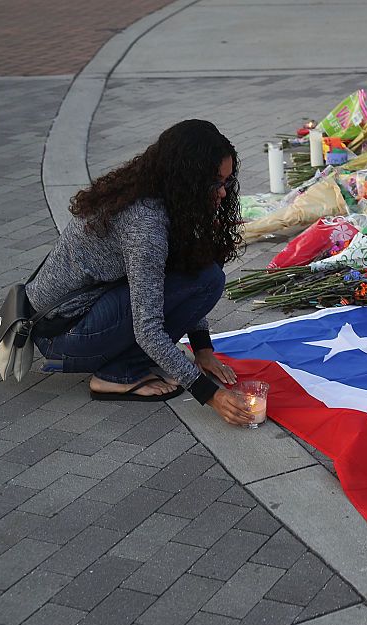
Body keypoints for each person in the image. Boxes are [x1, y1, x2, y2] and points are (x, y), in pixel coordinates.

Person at [27, 119, 253, 425]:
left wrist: (203, 349)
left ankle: (122, 359)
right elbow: (148, 328)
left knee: (205, 275)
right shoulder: (145, 224)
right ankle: (115, 375)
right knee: (206, 281)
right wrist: (211, 395)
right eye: (215, 184)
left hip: (68, 317)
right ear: (188, 178)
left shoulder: (157, 189)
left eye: (226, 182)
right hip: (61, 336)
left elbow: (186, 268)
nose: (223, 193)